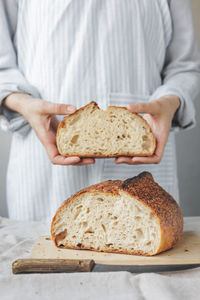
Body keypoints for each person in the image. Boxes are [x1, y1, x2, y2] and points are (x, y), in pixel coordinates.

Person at [0, 0, 199, 221]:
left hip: (142, 170)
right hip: (43, 168)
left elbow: (184, 66)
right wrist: (22, 102)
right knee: (43, 249)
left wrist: (171, 99)